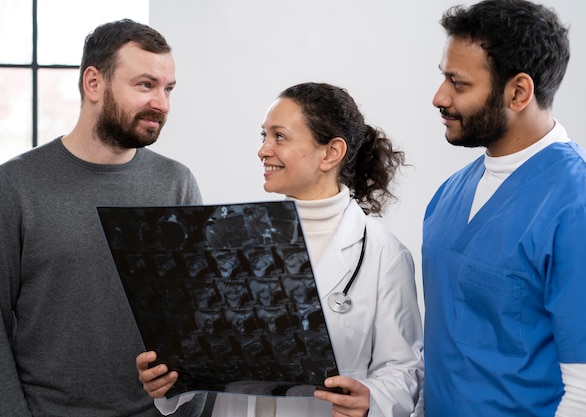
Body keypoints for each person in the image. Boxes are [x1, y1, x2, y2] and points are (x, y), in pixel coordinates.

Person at [137, 82, 425, 417]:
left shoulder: (381, 253)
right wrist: (170, 380)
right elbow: (207, 350)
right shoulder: (231, 236)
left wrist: (371, 400)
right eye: (264, 136)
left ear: (330, 153)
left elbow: (403, 368)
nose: (263, 150)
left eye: (279, 137)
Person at [422, 0, 586, 415]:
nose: (439, 97)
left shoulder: (585, 211)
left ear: (518, 93)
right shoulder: (448, 197)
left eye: (458, 84)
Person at [0, 19, 206, 417]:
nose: (162, 103)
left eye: (168, 89)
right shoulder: (14, 185)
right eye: (145, 85)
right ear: (93, 83)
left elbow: (194, 318)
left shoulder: (177, 184)